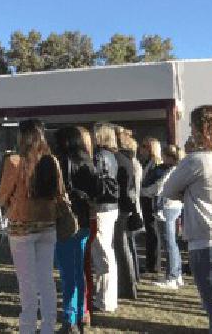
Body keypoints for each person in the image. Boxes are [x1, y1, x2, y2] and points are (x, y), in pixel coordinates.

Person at [161, 106, 212, 334]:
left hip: (207, 241)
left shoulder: (198, 160)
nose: (189, 130)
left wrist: (187, 193)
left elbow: (168, 189)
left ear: (202, 129)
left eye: (191, 125)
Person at [0, 119, 64, 334]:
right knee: (47, 280)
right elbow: (61, 192)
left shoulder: (15, 161)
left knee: (26, 283)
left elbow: (2, 195)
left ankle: (27, 328)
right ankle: (48, 328)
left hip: (22, 227)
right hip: (48, 225)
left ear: (22, 137)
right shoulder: (52, 160)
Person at [51, 126, 98, 333]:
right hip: (85, 221)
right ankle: (80, 315)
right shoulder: (88, 162)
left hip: (65, 222)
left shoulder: (60, 162)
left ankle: (70, 319)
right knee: (78, 272)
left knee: (67, 273)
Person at [90, 123, 121, 312]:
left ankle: (105, 299)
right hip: (109, 208)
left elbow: (95, 181)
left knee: (103, 254)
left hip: (101, 208)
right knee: (105, 252)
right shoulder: (111, 156)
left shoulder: (100, 156)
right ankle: (105, 296)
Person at [112, 131, 141, 298]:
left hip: (122, 207)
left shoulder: (121, 160)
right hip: (126, 206)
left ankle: (128, 286)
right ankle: (130, 283)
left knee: (121, 246)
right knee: (125, 246)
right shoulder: (129, 160)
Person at [152, 144, 185, 289]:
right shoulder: (179, 169)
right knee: (172, 242)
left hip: (167, 207)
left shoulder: (170, 171)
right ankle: (177, 275)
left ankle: (172, 276)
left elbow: (160, 189)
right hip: (175, 206)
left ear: (169, 157)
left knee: (169, 242)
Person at [139, 137, 166, 274]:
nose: (141, 149)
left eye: (144, 146)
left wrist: (144, 191)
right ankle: (151, 263)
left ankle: (154, 264)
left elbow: (159, 184)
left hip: (151, 199)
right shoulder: (148, 163)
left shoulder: (156, 163)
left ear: (151, 148)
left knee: (153, 232)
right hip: (146, 198)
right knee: (150, 232)